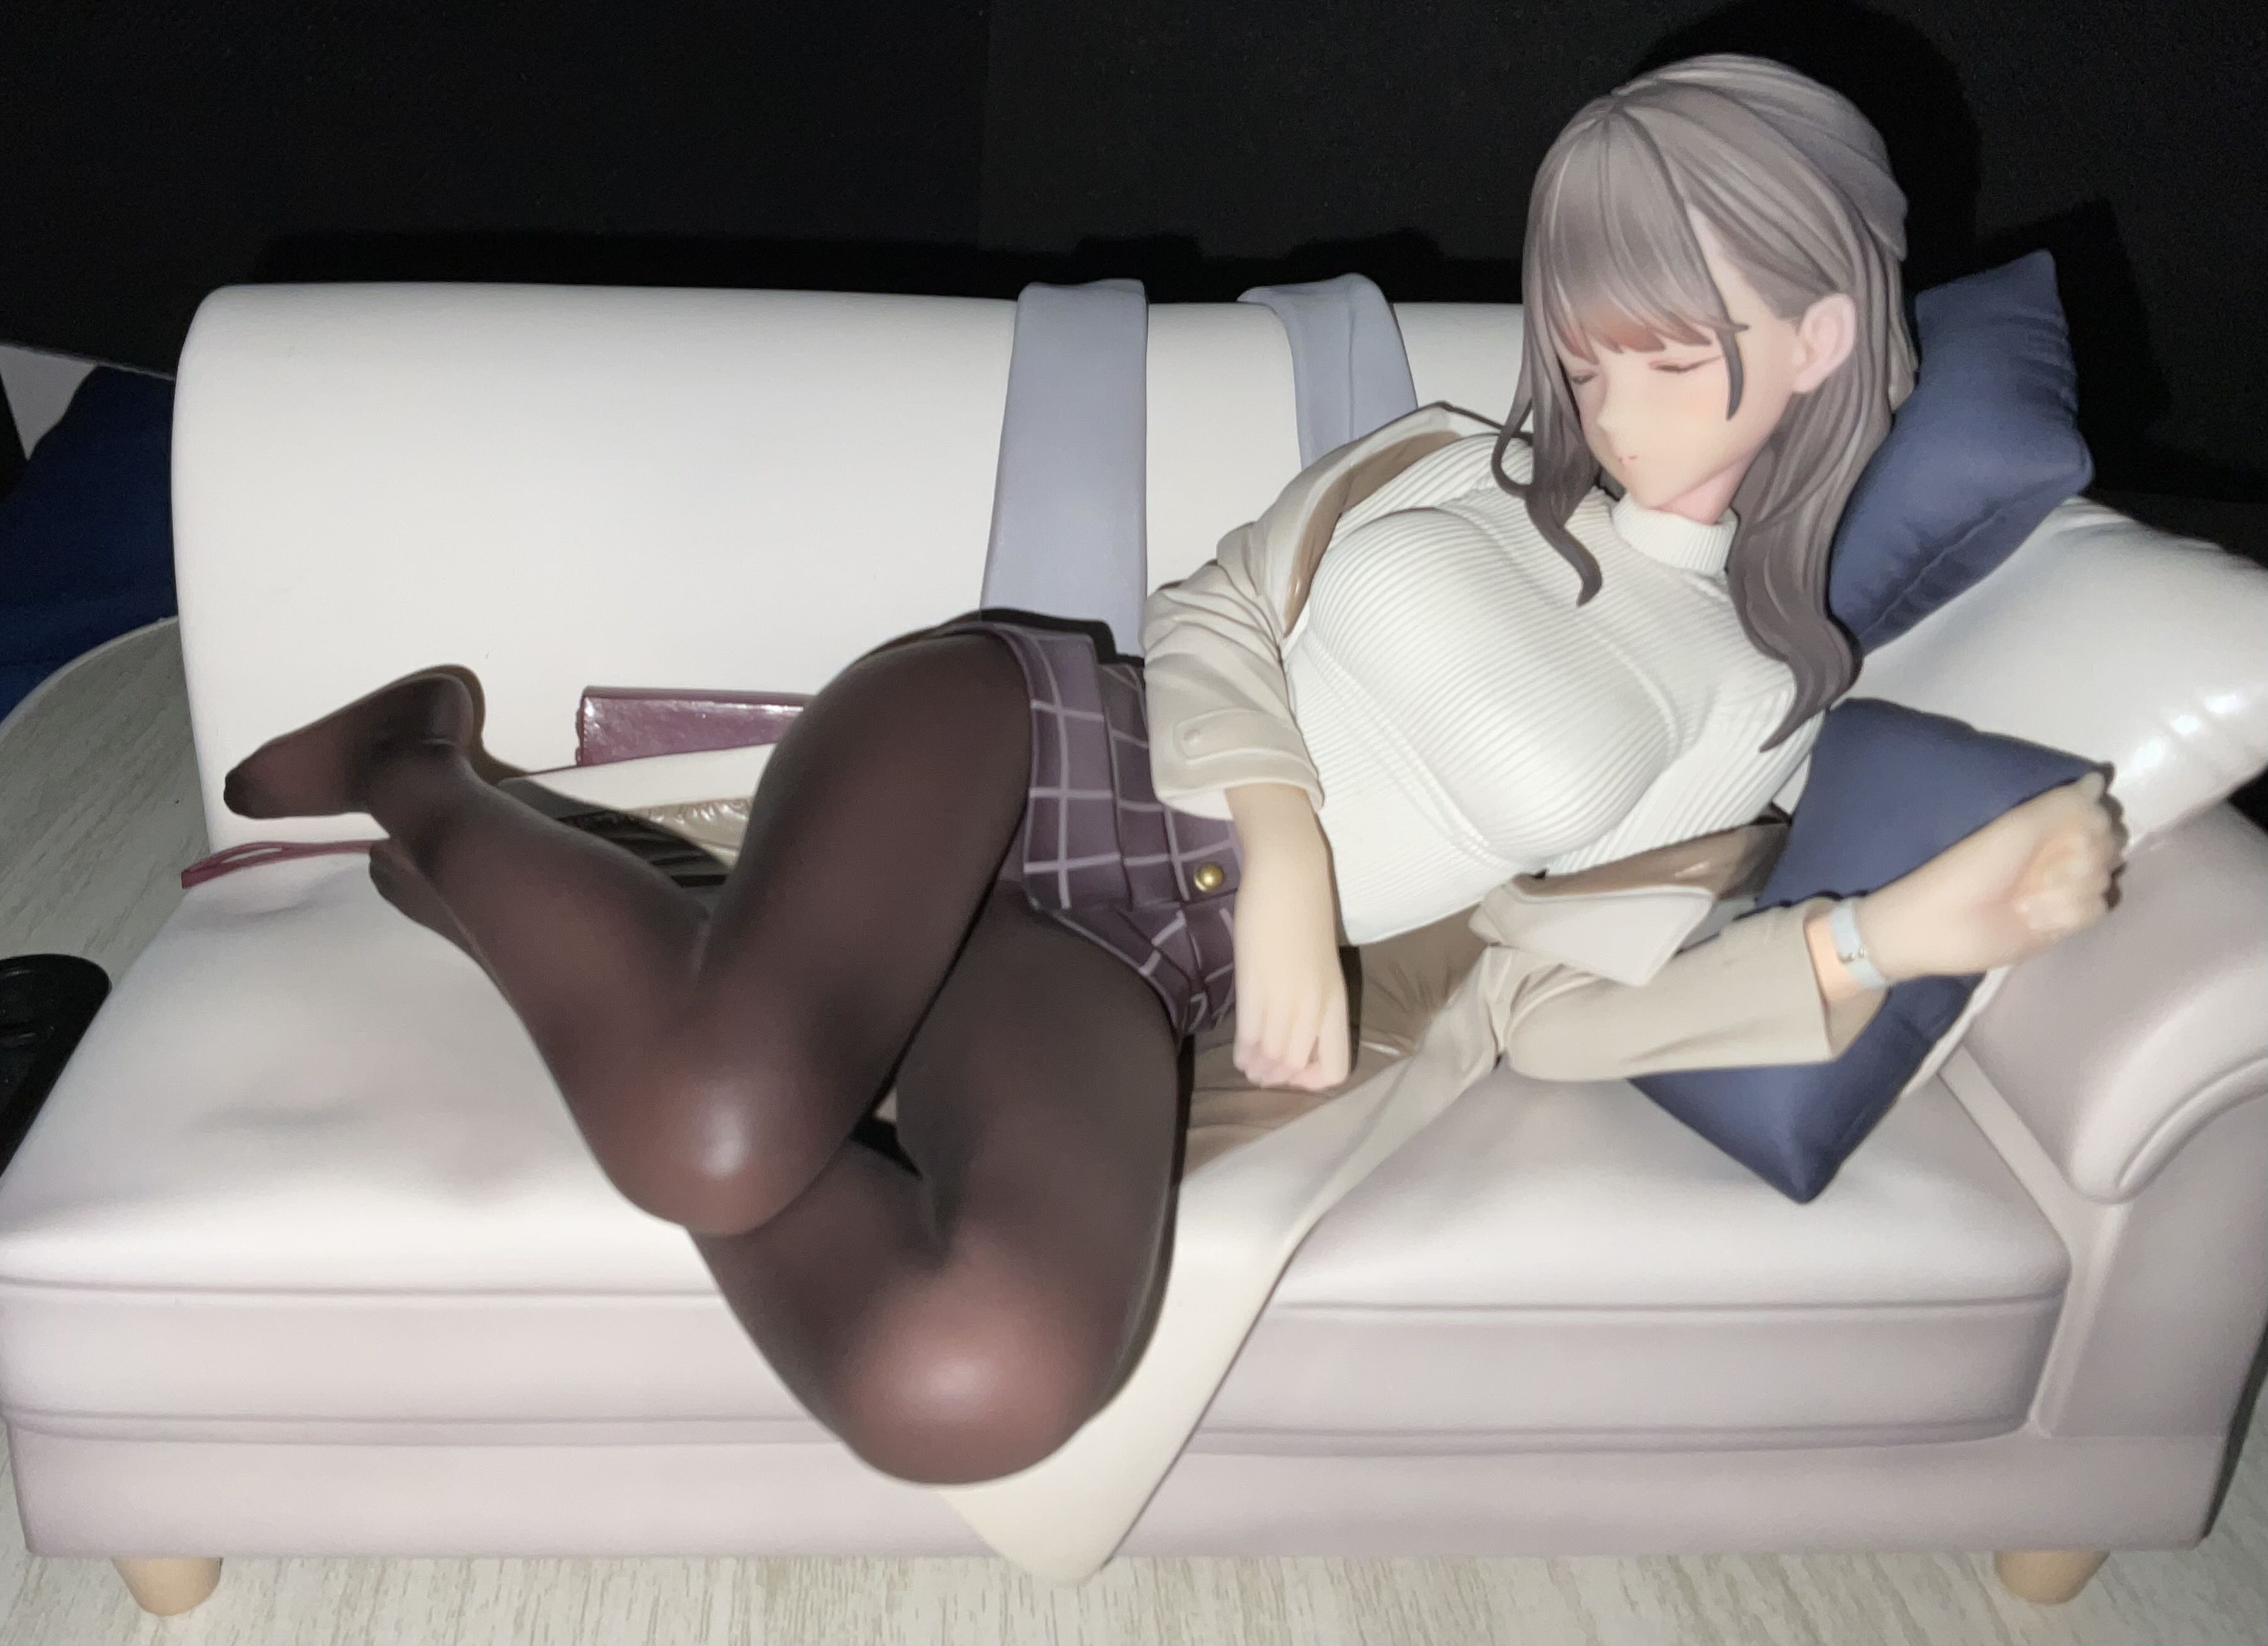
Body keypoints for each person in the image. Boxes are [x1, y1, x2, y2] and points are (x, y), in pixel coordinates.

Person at [220, 53, 2123, 1493]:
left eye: (1669, 346)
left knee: (971, 1380)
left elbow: (1554, 1000)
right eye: (1587, 340)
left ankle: (613, 936)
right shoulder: (1452, 460)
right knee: (716, 1129)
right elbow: (1209, 610)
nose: (1606, 393)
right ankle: (427, 771)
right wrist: (1284, 843)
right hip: (1023, 743)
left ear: (1822, 335)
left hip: (1130, 968)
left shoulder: (1753, 705)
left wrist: (1890, 939)